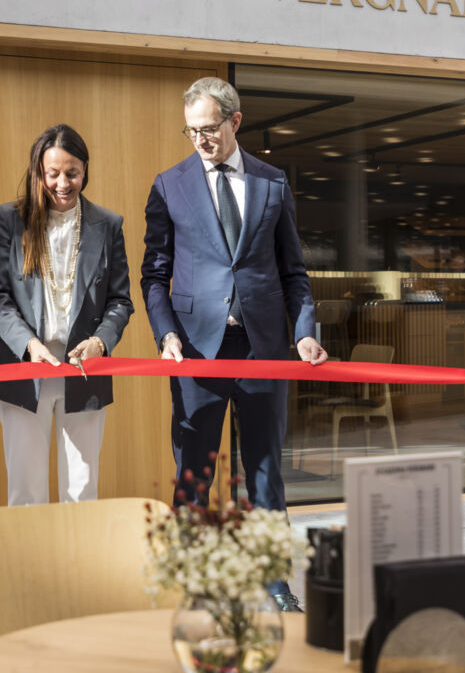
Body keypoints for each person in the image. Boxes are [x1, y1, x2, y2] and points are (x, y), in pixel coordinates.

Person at [141, 76, 328, 612]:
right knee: (194, 474)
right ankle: (193, 585)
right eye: (191, 131)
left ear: (235, 122)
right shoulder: (169, 184)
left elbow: (295, 272)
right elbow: (153, 273)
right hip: (196, 350)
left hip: (264, 347)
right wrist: (166, 331)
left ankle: (275, 583)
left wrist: (305, 331)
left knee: (267, 471)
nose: (201, 140)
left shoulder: (272, 182)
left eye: (210, 129)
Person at [0, 124, 133, 506]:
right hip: (23, 368)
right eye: (53, 174)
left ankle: (76, 567)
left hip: (85, 370)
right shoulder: (9, 221)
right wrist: (29, 345)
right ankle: (29, 567)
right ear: (39, 173)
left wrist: (101, 341)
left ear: (85, 171)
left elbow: (120, 301)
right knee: (26, 489)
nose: (62, 183)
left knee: (81, 489)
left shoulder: (109, 225)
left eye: (72, 173)